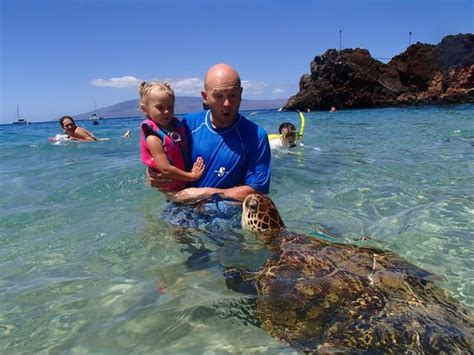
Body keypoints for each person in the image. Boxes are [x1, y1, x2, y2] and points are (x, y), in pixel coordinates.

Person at [148, 63, 271, 202]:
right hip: (180, 207)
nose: (227, 103)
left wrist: (207, 193)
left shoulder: (256, 136)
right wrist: (154, 174)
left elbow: (257, 193)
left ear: (241, 94)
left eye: (232, 95)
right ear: (205, 97)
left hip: (224, 216)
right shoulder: (188, 125)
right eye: (218, 96)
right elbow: (168, 160)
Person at [139, 81, 205, 192]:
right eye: (160, 107)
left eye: (170, 107)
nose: (166, 111)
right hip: (173, 190)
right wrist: (192, 176)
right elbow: (165, 169)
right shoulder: (153, 139)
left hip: (183, 185)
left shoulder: (175, 128)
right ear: (145, 109)